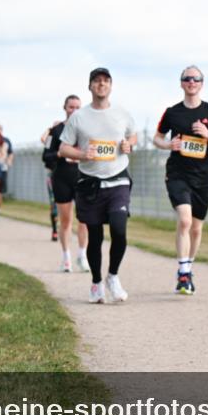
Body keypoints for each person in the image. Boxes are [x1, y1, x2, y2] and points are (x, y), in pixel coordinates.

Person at [58, 67, 137, 304]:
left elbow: (133, 136)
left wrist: (128, 145)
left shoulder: (122, 113)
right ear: (90, 86)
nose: (101, 84)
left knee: (119, 229)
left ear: (111, 86)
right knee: (94, 236)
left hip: (118, 179)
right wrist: (83, 154)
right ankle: (96, 282)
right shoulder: (79, 117)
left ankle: (112, 276)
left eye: (106, 81)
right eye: (97, 81)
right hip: (90, 184)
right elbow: (63, 149)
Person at [153, 65, 208, 294]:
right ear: (181, 83)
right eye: (187, 78)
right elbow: (157, 138)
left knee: (197, 229)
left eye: (196, 79)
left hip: (203, 178)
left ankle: (188, 268)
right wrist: (169, 144)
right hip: (177, 174)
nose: (191, 82)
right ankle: (183, 273)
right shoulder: (172, 112)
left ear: (202, 83)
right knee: (185, 220)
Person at [42, 95, 90, 272]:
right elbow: (45, 156)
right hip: (61, 178)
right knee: (66, 220)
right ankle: (66, 258)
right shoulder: (56, 130)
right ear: (65, 108)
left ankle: (83, 256)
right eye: (71, 107)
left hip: (83, 177)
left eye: (78, 107)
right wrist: (60, 154)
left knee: (84, 220)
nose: (75, 111)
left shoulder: (87, 130)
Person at [0, 123, 14, 197]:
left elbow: (11, 152)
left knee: (0, 190)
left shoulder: (6, 140)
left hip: (3, 167)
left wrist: (9, 160)